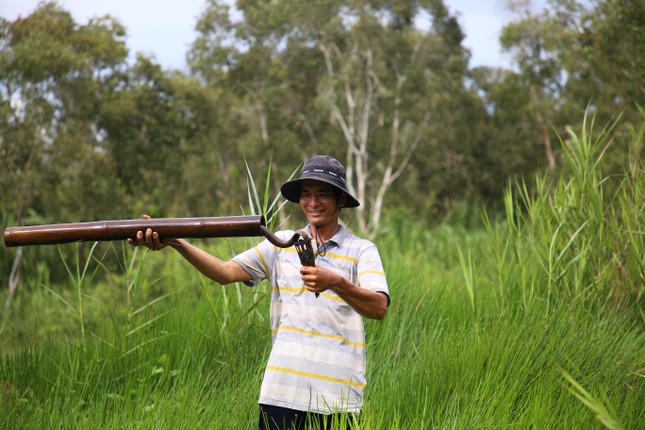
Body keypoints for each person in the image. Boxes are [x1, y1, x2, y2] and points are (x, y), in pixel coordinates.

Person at [129, 155, 390, 429]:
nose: (313, 202)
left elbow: (378, 308)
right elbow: (225, 272)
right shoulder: (280, 246)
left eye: (322, 194)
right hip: (281, 395)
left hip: (337, 400)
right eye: (306, 194)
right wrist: (176, 242)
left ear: (340, 200)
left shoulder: (362, 251)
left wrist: (336, 282)